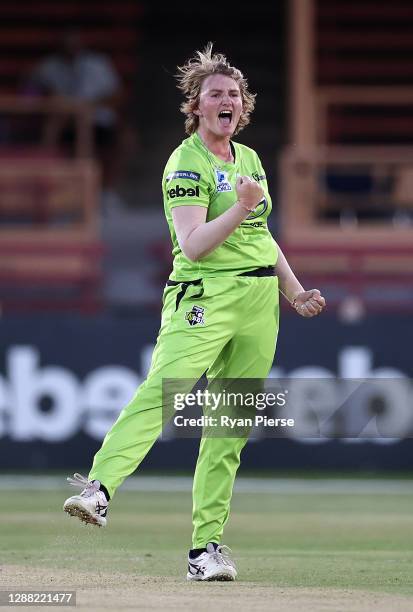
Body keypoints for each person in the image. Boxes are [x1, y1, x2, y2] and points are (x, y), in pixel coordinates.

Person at [63, 44, 326, 582]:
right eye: (215, 95)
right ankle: (99, 487)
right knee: (166, 388)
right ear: (197, 106)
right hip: (205, 297)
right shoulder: (186, 163)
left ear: (243, 104)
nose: (225, 101)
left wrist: (293, 291)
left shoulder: (248, 159)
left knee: (228, 430)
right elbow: (196, 242)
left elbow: (261, 236)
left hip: (258, 303)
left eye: (233, 94)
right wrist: (241, 206)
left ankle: (205, 551)